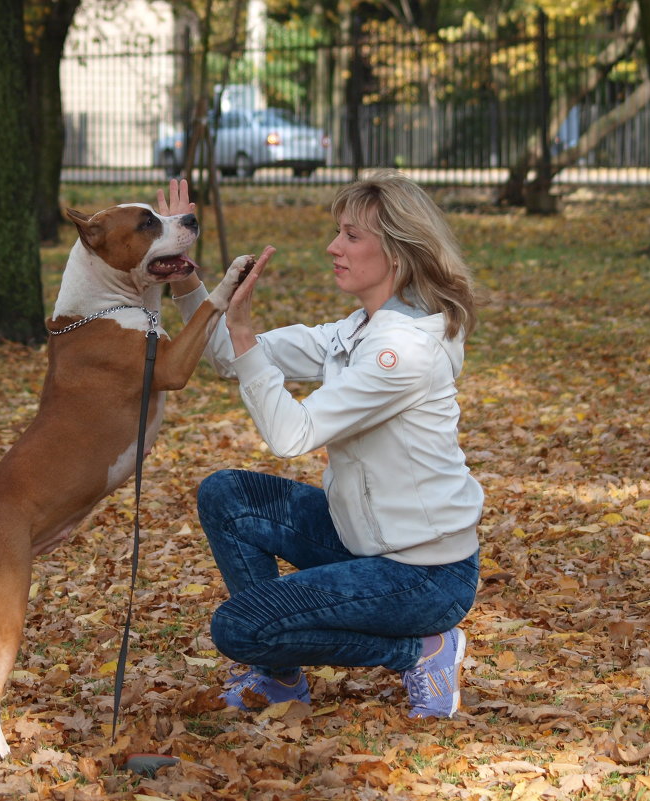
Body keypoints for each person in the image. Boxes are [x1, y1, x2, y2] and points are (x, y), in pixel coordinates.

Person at [160, 170, 482, 718]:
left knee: (239, 626)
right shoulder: (359, 329)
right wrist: (187, 281)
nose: (333, 247)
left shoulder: (402, 352)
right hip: (360, 539)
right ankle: (281, 681)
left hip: (423, 576)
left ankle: (422, 649)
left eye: (353, 236)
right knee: (227, 494)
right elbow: (226, 357)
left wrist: (242, 333)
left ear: (398, 256)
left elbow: (292, 435)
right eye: (339, 232)